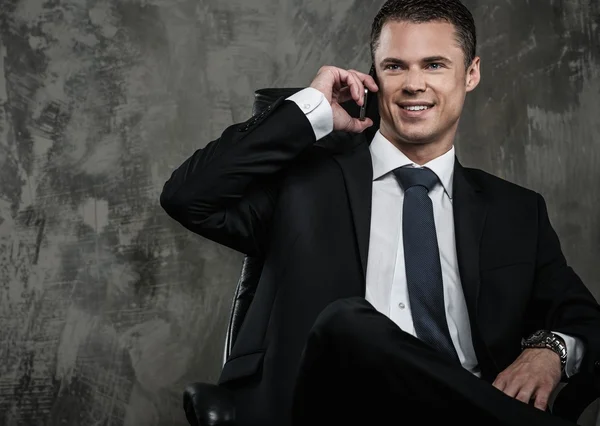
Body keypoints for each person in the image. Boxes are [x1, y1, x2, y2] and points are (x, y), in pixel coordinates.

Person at [160, 0, 600, 425]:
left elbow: (584, 318)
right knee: (346, 323)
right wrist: (311, 110)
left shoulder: (515, 211)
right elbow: (187, 196)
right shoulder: (303, 185)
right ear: (374, 77)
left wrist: (550, 349)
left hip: (469, 409)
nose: (414, 84)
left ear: (471, 74)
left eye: (434, 64)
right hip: (332, 407)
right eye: (395, 66)